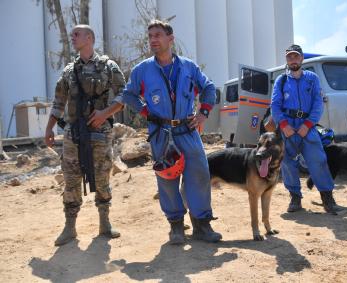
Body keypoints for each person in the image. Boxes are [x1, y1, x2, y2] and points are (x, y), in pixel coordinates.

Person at [117, 20, 221, 244]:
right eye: (150, 36)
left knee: (199, 175)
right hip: (161, 133)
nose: (153, 40)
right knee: (167, 177)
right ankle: (176, 227)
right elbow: (128, 94)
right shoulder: (142, 70)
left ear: (170, 39)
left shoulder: (188, 67)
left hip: (188, 129)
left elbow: (209, 87)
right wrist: (146, 112)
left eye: (158, 35)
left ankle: (202, 225)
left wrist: (203, 112)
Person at [45, 24, 126, 246]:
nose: (72, 38)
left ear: (89, 38)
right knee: (71, 178)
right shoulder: (69, 71)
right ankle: (70, 228)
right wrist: (49, 127)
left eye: (76, 34)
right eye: (72, 34)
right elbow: (59, 101)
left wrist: (104, 114)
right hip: (73, 133)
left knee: (102, 176)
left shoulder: (108, 66)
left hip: (100, 132)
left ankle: (104, 223)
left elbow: (123, 96)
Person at [270, 44, 341, 214]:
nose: (293, 60)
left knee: (318, 160)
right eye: (289, 57)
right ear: (287, 60)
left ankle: (327, 197)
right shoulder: (281, 81)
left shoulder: (312, 78)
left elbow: (318, 103)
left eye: (296, 56)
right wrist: (284, 125)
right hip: (287, 127)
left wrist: (308, 125)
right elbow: (275, 104)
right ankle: (295, 198)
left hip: (307, 127)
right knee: (287, 163)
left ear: (301, 58)